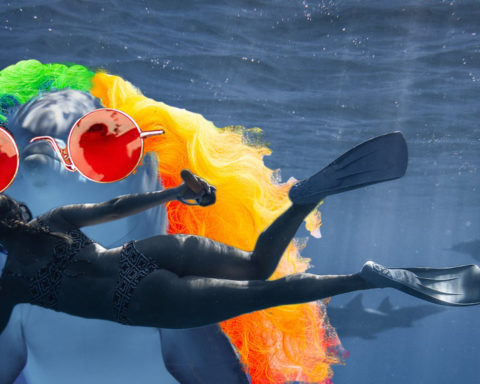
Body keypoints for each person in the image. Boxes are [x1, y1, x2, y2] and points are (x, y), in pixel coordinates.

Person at [2, 133, 478, 335]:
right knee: (256, 264)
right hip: (141, 253)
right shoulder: (55, 220)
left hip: (139, 300)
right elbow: (114, 205)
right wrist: (175, 194)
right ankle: (305, 199)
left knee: (267, 292)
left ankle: (365, 278)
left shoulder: (11, 284)